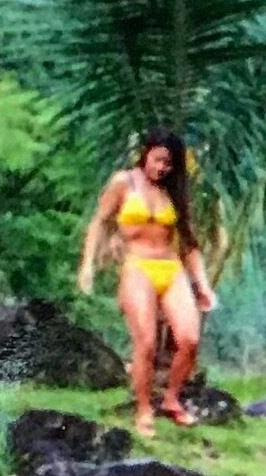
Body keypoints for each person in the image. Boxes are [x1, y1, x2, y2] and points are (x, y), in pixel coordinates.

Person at [77, 129, 215, 438]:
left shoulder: (174, 192)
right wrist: (88, 265)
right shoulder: (123, 183)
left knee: (189, 338)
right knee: (147, 343)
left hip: (171, 267)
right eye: (158, 160)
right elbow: (99, 222)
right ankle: (143, 408)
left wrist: (203, 284)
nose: (162, 168)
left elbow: (190, 244)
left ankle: (171, 398)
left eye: (169, 164)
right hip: (138, 266)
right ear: (145, 153)